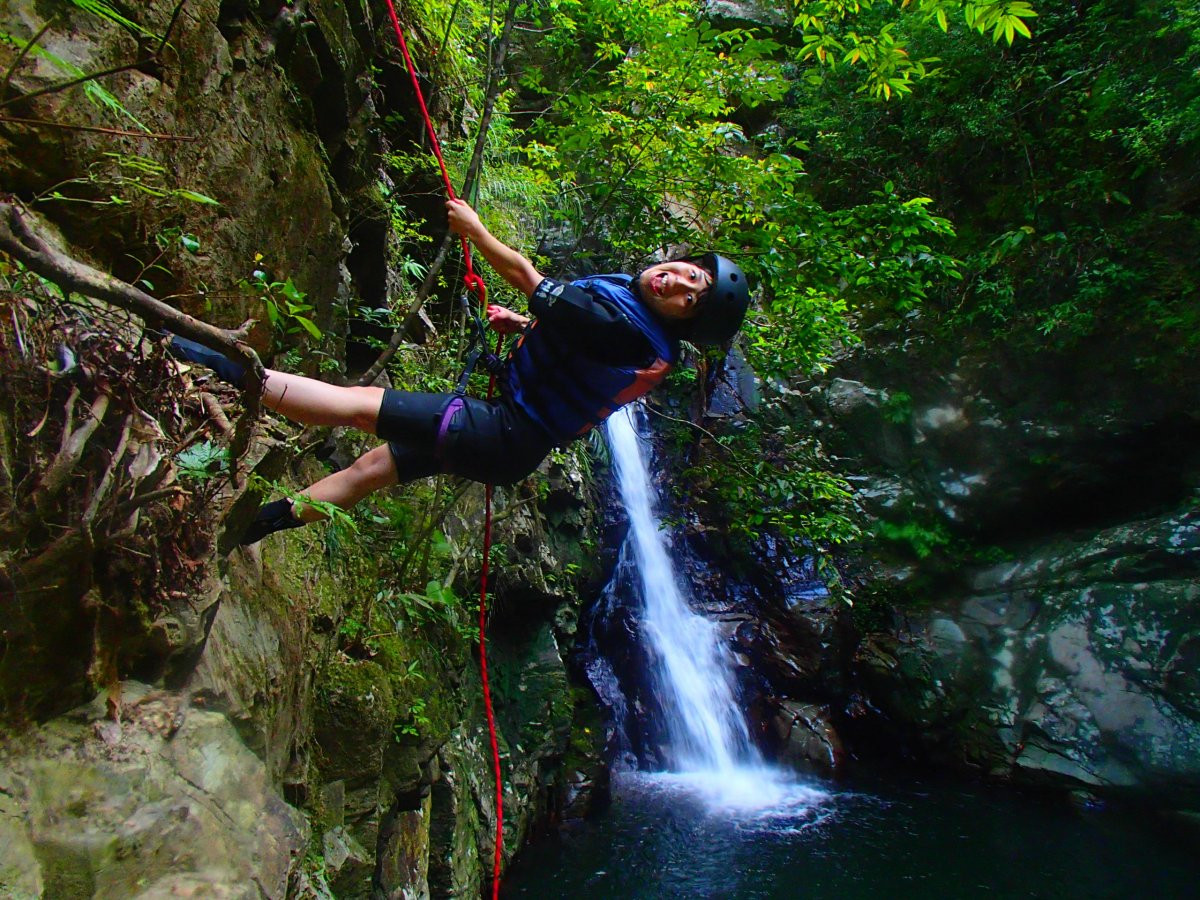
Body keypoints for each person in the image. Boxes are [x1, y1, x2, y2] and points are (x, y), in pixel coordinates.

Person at [169, 199, 750, 544]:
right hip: (509, 437)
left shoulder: (634, 332)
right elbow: (580, 344)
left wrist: (476, 231)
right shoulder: (633, 321)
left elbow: (530, 278)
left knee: (360, 405)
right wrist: (522, 326)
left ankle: (213, 362)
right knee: (371, 469)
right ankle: (256, 526)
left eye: (690, 298)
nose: (677, 282)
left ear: (685, 322)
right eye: (689, 274)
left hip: (505, 431)